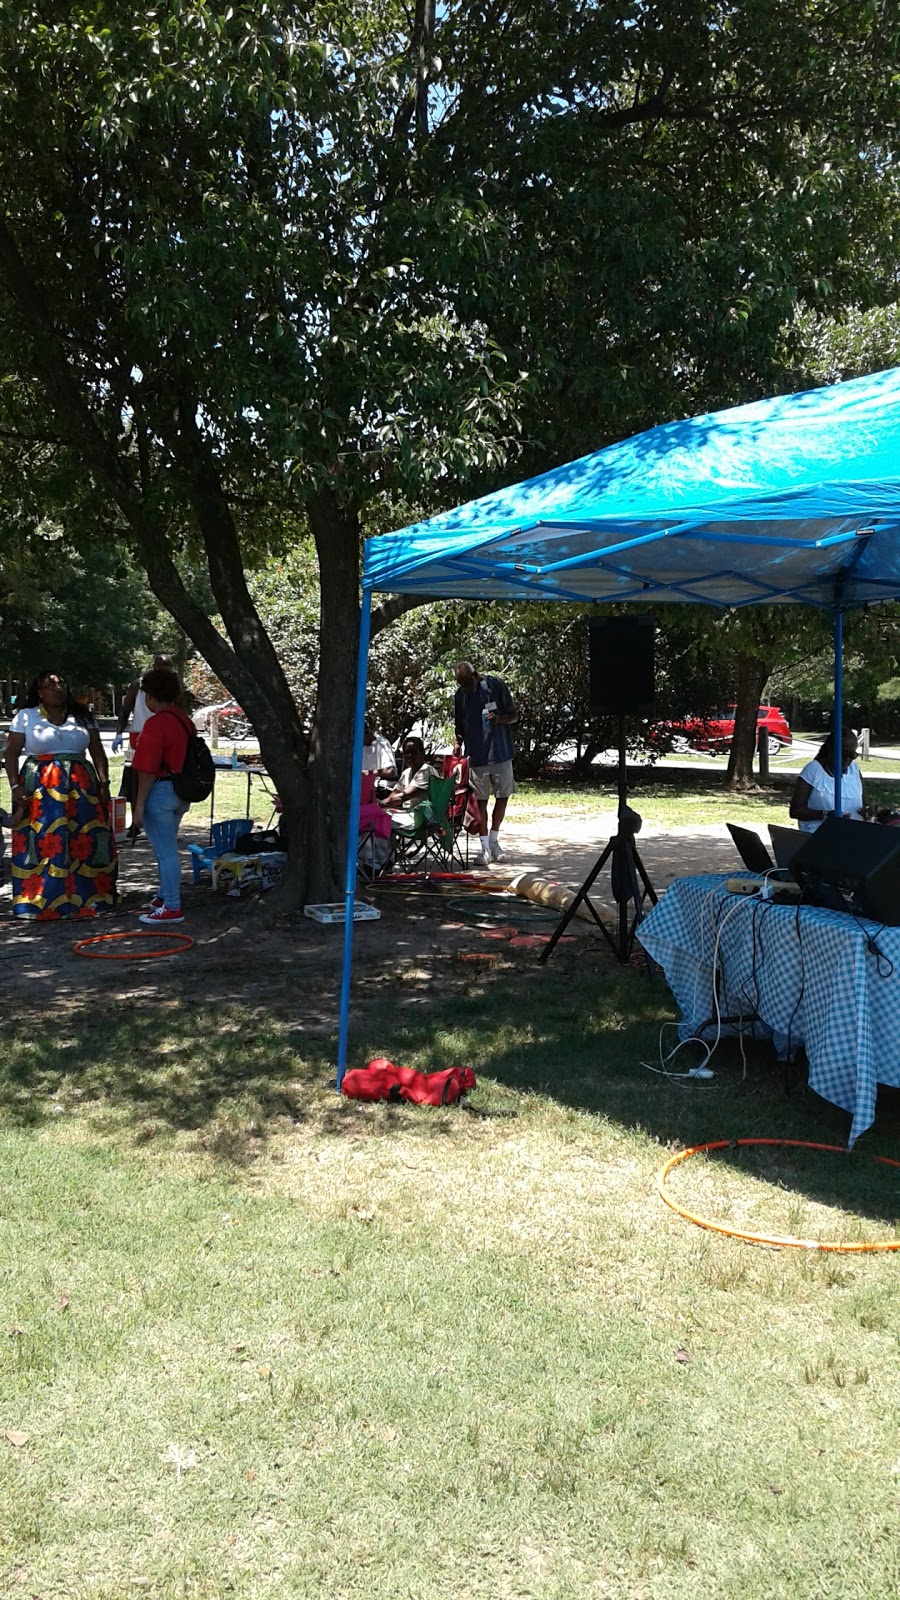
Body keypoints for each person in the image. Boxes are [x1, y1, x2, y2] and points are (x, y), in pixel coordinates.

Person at [4, 670, 117, 920]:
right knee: (43, 841)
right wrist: (14, 786)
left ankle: (89, 899)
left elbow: (97, 750)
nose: (58, 688)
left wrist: (104, 782)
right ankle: (40, 901)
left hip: (82, 789)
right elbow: (11, 752)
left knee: (83, 841)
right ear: (40, 693)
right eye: (50, 685)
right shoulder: (26, 716)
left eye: (61, 684)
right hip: (40, 789)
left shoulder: (82, 715)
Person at [130, 665, 196, 925]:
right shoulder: (184, 720)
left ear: (150, 695)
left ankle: (172, 905)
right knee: (166, 847)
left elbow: (146, 769)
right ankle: (162, 896)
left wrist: (139, 805)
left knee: (165, 852)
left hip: (161, 791)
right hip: (181, 791)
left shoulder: (156, 723)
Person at [453, 661, 518, 865]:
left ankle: (494, 840)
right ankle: (484, 848)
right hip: (477, 756)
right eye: (460, 684)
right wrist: (457, 743)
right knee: (480, 801)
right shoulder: (460, 695)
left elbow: (514, 715)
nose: (464, 688)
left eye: (466, 683)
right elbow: (459, 724)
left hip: (500, 752)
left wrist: (499, 720)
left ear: (475, 676)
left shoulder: (495, 685)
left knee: (502, 796)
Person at [113, 654, 177, 801]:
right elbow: (125, 710)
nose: (164, 670)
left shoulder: (173, 688)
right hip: (139, 735)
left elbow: (180, 711)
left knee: (161, 775)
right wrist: (118, 734)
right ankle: (136, 818)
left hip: (163, 737)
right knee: (135, 777)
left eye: (168, 667)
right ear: (155, 666)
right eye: (161, 666)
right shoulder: (138, 685)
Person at [790, 728, 867, 831]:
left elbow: (865, 802)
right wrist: (825, 815)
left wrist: (868, 810)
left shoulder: (854, 769)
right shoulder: (813, 770)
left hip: (853, 834)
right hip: (820, 836)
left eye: (853, 755)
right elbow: (795, 811)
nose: (848, 759)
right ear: (831, 750)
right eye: (844, 754)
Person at [380, 736, 439, 833]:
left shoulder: (426, 771)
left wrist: (381, 804)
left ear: (422, 754)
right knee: (378, 815)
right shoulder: (406, 773)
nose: (409, 756)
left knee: (378, 818)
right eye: (406, 753)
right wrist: (382, 804)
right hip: (407, 814)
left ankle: (383, 847)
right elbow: (395, 793)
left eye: (413, 752)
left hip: (422, 818)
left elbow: (403, 796)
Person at [362, 721, 398, 795]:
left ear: (367, 731)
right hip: (363, 788)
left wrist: (369, 773)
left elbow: (390, 772)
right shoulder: (358, 747)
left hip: (380, 789)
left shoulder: (382, 744)